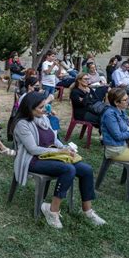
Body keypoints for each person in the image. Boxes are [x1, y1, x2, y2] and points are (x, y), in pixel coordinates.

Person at [13, 92, 106, 228]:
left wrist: (65, 148)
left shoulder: (43, 118)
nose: (45, 109)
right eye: (40, 107)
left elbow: (53, 139)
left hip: (51, 155)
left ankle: (87, 210)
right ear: (29, 109)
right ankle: (52, 210)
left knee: (86, 169)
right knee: (68, 169)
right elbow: (32, 149)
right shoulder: (22, 124)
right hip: (32, 160)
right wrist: (59, 151)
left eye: (45, 106)